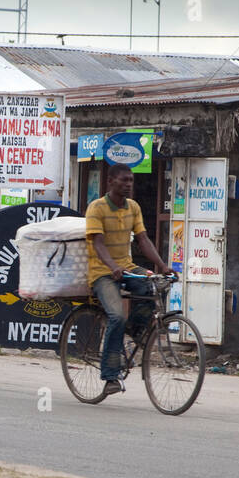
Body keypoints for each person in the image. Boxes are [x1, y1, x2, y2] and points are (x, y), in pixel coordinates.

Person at [86, 162, 170, 395]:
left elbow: (143, 239)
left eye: (131, 180)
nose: (128, 185)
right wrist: (112, 266)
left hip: (128, 267)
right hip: (102, 273)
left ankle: (134, 332)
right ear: (110, 181)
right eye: (124, 180)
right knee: (116, 316)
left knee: (158, 284)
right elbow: (97, 243)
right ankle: (110, 376)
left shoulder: (133, 207)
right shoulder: (97, 208)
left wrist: (162, 265)